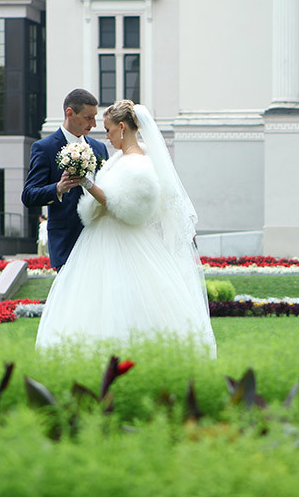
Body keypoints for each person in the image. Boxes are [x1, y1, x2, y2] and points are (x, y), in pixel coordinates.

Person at [35, 100, 216, 356]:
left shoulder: (137, 163)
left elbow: (124, 207)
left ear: (121, 127)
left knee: (122, 295)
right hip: (102, 237)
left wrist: (87, 183)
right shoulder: (121, 158)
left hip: (122, 238)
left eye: (108, 130)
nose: (106, 137)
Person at [22, 89, 108, 270]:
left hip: (101, 239)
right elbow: (29, 195)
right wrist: (58, 188)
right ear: (70, 113)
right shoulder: (44, 148)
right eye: (88, 118)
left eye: (94, 117)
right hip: (66, 242)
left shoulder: (99, 149)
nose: (93, 124)